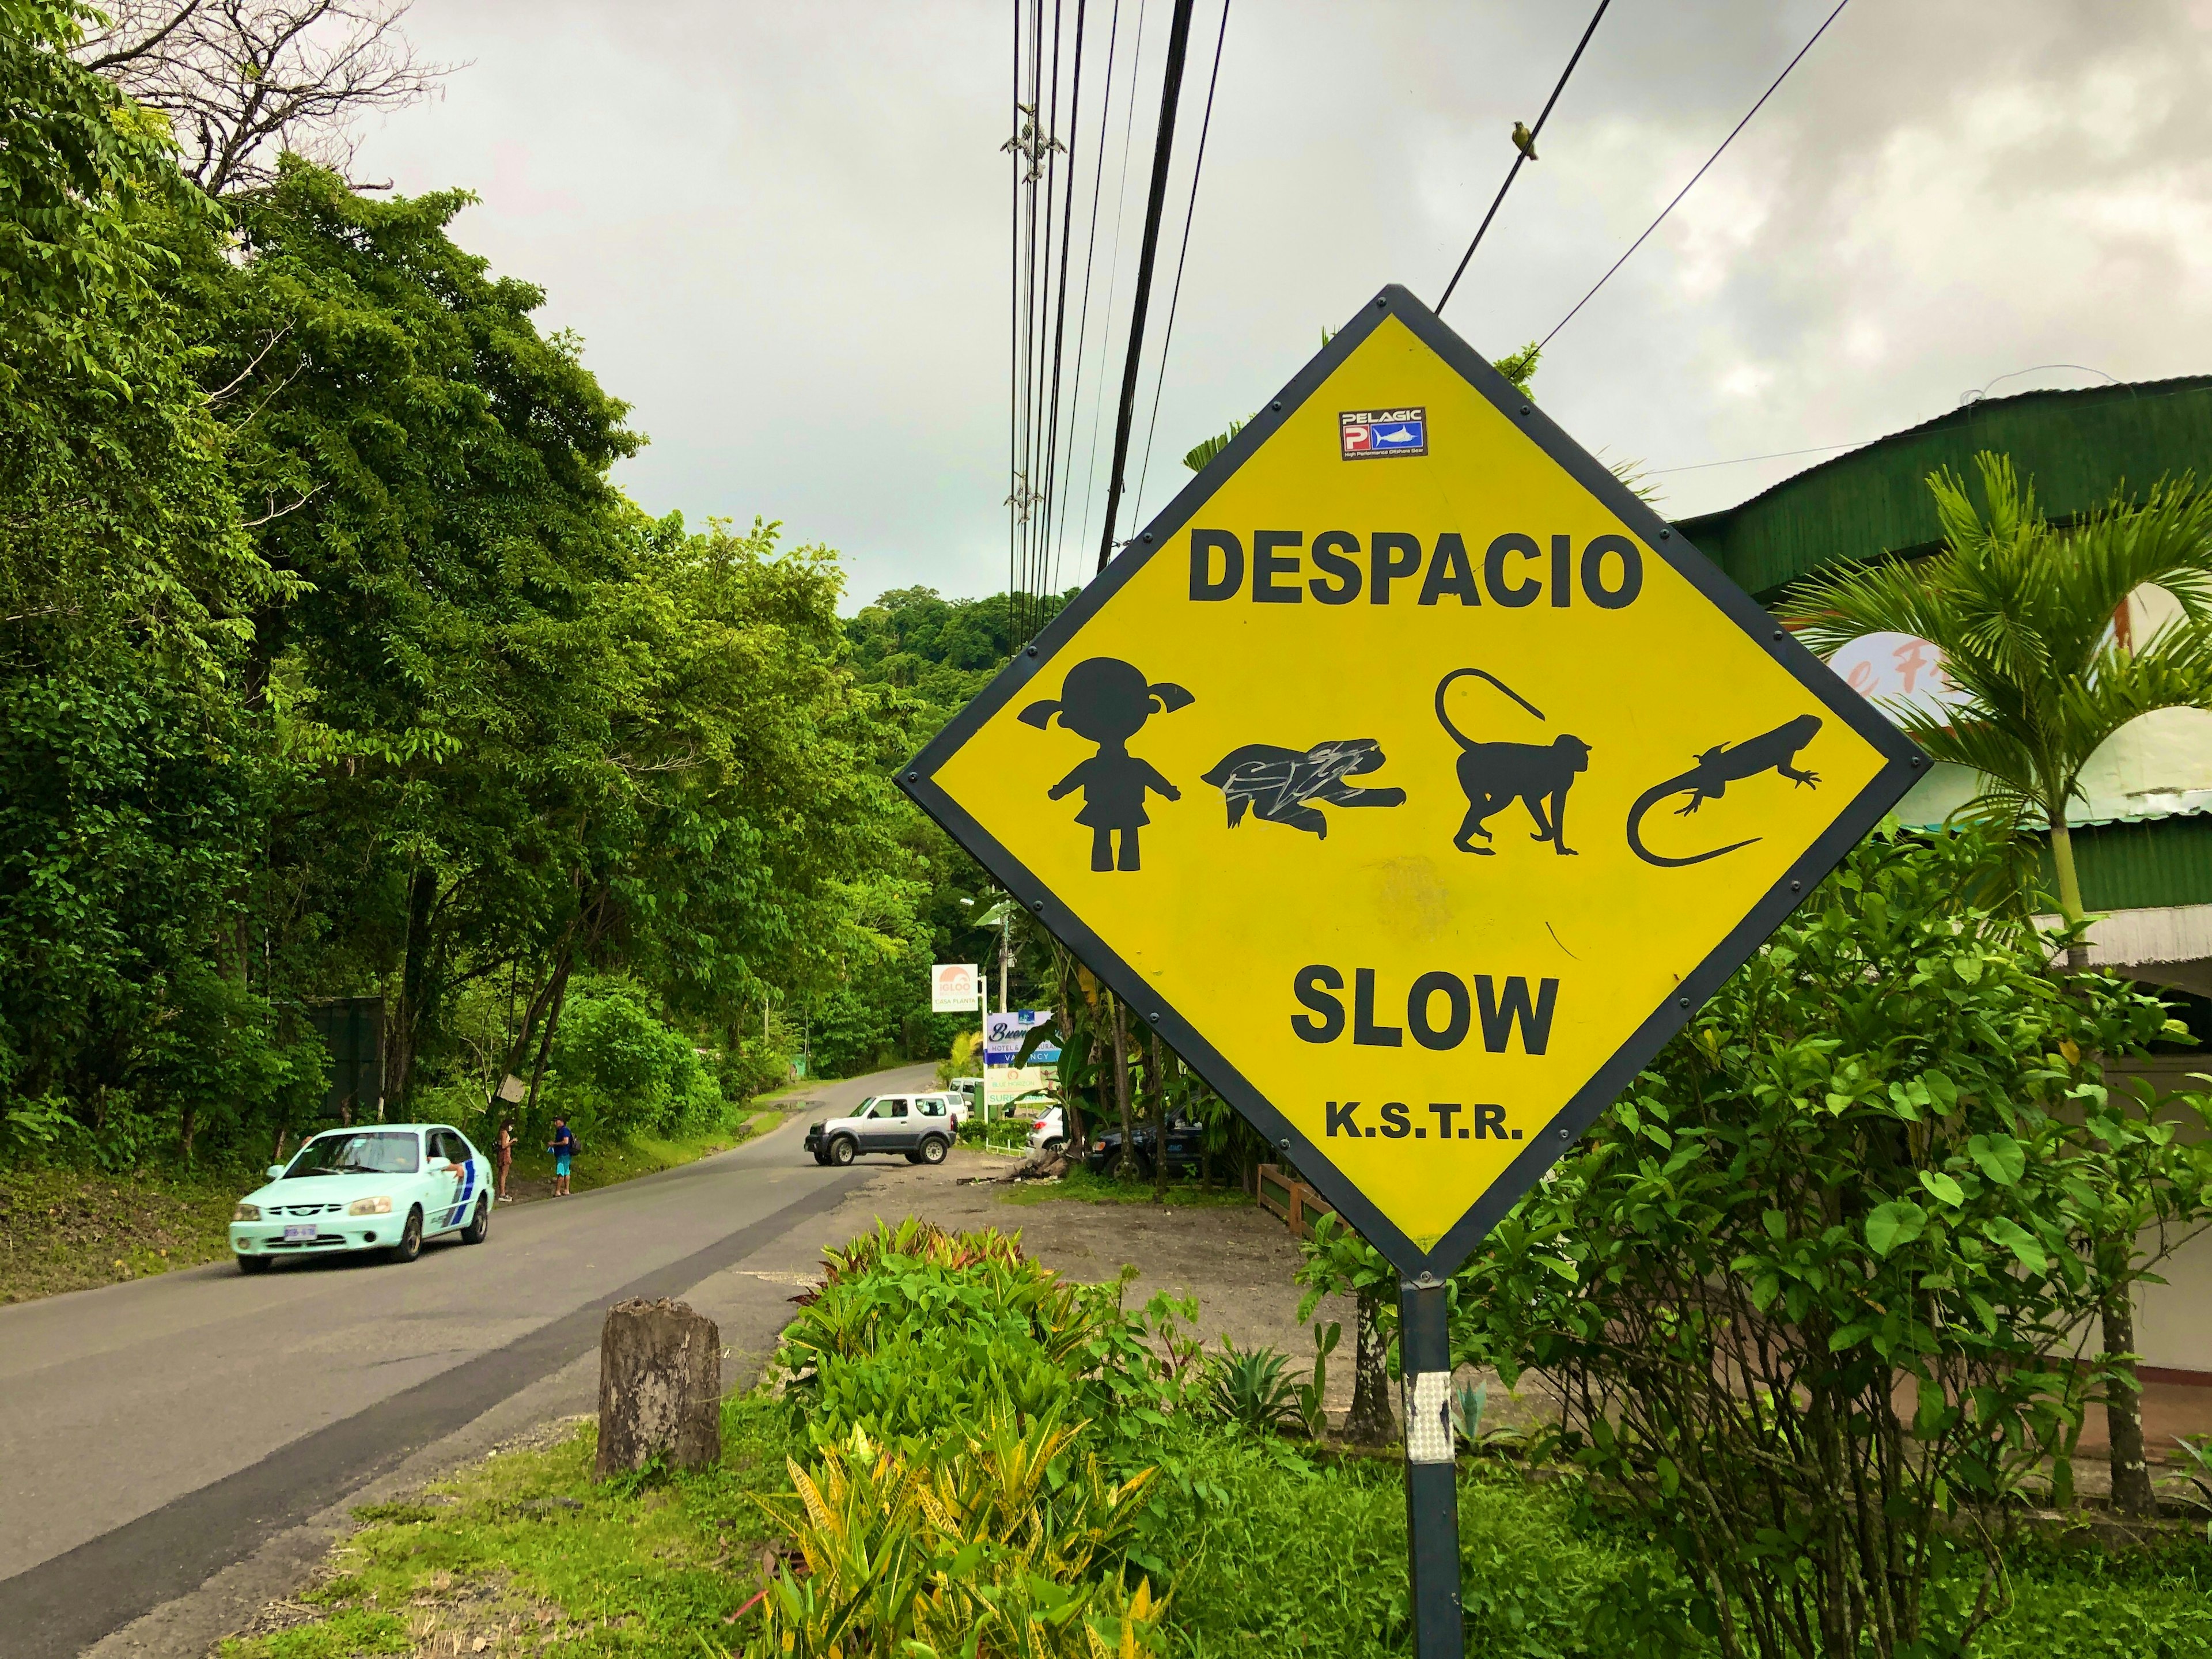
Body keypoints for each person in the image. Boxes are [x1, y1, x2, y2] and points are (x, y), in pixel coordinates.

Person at [548, 1116, 577, 1197]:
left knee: (561, 1172)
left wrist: (554, 1144)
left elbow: (565, 1141)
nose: (555, 1124)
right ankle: (566, 1190)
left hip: (563, 1154)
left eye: (556, 1121)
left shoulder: (564, 1130)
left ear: (561, 1121)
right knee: (567, 1171)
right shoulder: (561, 1131)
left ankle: (558, 1191)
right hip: (565, 1154)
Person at [495, 1120, 514, 1202]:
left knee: (501, 1174)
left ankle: (502, 1192)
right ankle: (502, 1194)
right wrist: (511, 1142)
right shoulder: (504, 1133)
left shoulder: (501, 1132)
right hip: (505, 1155)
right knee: (504, 1174)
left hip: (501, 1154)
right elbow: (504, 1145)